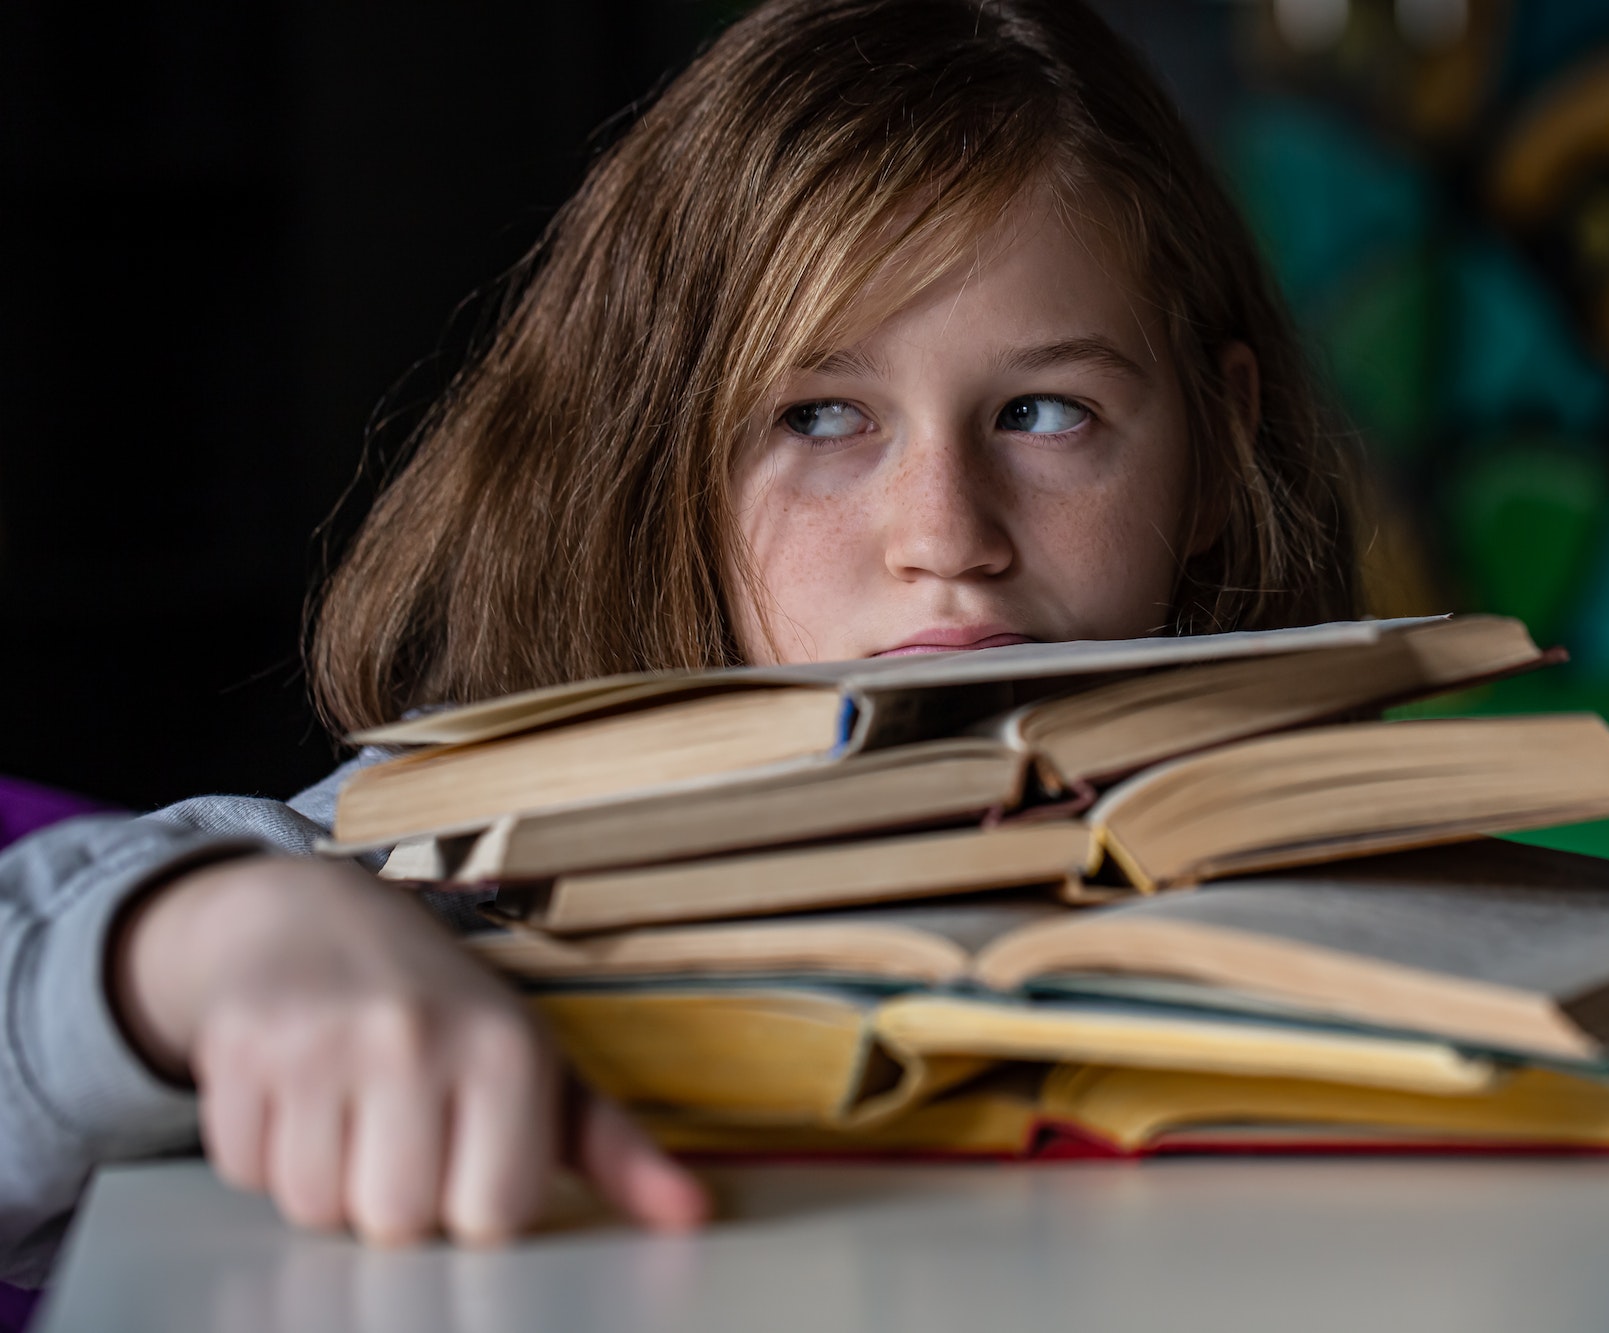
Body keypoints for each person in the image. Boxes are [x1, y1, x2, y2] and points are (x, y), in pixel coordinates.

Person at [0, 0, 1355, 1282]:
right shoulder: (466, 872)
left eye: (1044, 412)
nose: (944, 534)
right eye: (821, 418)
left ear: (1219, 451)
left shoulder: (1366, 878)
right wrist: (201, 944)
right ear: (669, 470)